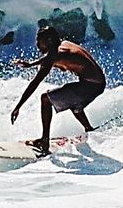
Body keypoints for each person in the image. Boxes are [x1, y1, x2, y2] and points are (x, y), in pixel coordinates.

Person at [10, 25, 107, 156]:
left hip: (90, 86)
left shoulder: (54, 56)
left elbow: (35, 82)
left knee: (46, 98)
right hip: (97, 83)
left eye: (40, 41)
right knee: (74, 102)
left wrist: (18, 107)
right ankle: (89, 129)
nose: (37, 45)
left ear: (49, 40)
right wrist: (31, 64)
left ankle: (45, 142)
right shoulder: (64, 44)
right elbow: (52, 57)